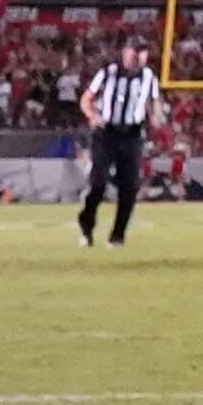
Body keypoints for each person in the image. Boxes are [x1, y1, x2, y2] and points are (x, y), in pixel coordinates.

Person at [71, 33, 159, 246]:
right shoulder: (108, 73)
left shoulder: (149, 77)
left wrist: (156, 118)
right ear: (125, 53)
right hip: (106, 133)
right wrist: (93, 116)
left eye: (142, 52)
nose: (138, 57)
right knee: (98, 184)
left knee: (129, 188)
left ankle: (118, 236)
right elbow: (86, 99)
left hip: (132, 135)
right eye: (135, 52)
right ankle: (86, 226)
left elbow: (152, 103)